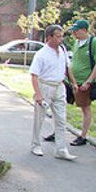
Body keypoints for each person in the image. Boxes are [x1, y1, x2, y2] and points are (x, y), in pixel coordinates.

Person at [29, 24, 77, 160]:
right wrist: (38, 94)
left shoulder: (62, 49)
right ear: (49, 37)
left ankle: (61, 149)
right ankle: (35, 145)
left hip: (59, 87)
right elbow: (34, 76)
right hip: (45, 86)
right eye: (58, 36)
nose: (61, 39)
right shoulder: (41, 54)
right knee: (40, 119)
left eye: (62, 36)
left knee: (61, 119)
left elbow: (68, 67)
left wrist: (73, 82)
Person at [65, 19, 95, 146]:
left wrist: (88, 81)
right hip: (73, 81)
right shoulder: (76, 43)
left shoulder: (92, 42)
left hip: (85, 82)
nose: (74, 33)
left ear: (84, 30)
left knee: (85, 108)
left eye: (76, 31)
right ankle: (58, 132)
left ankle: (83, 136)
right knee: (64, 104)